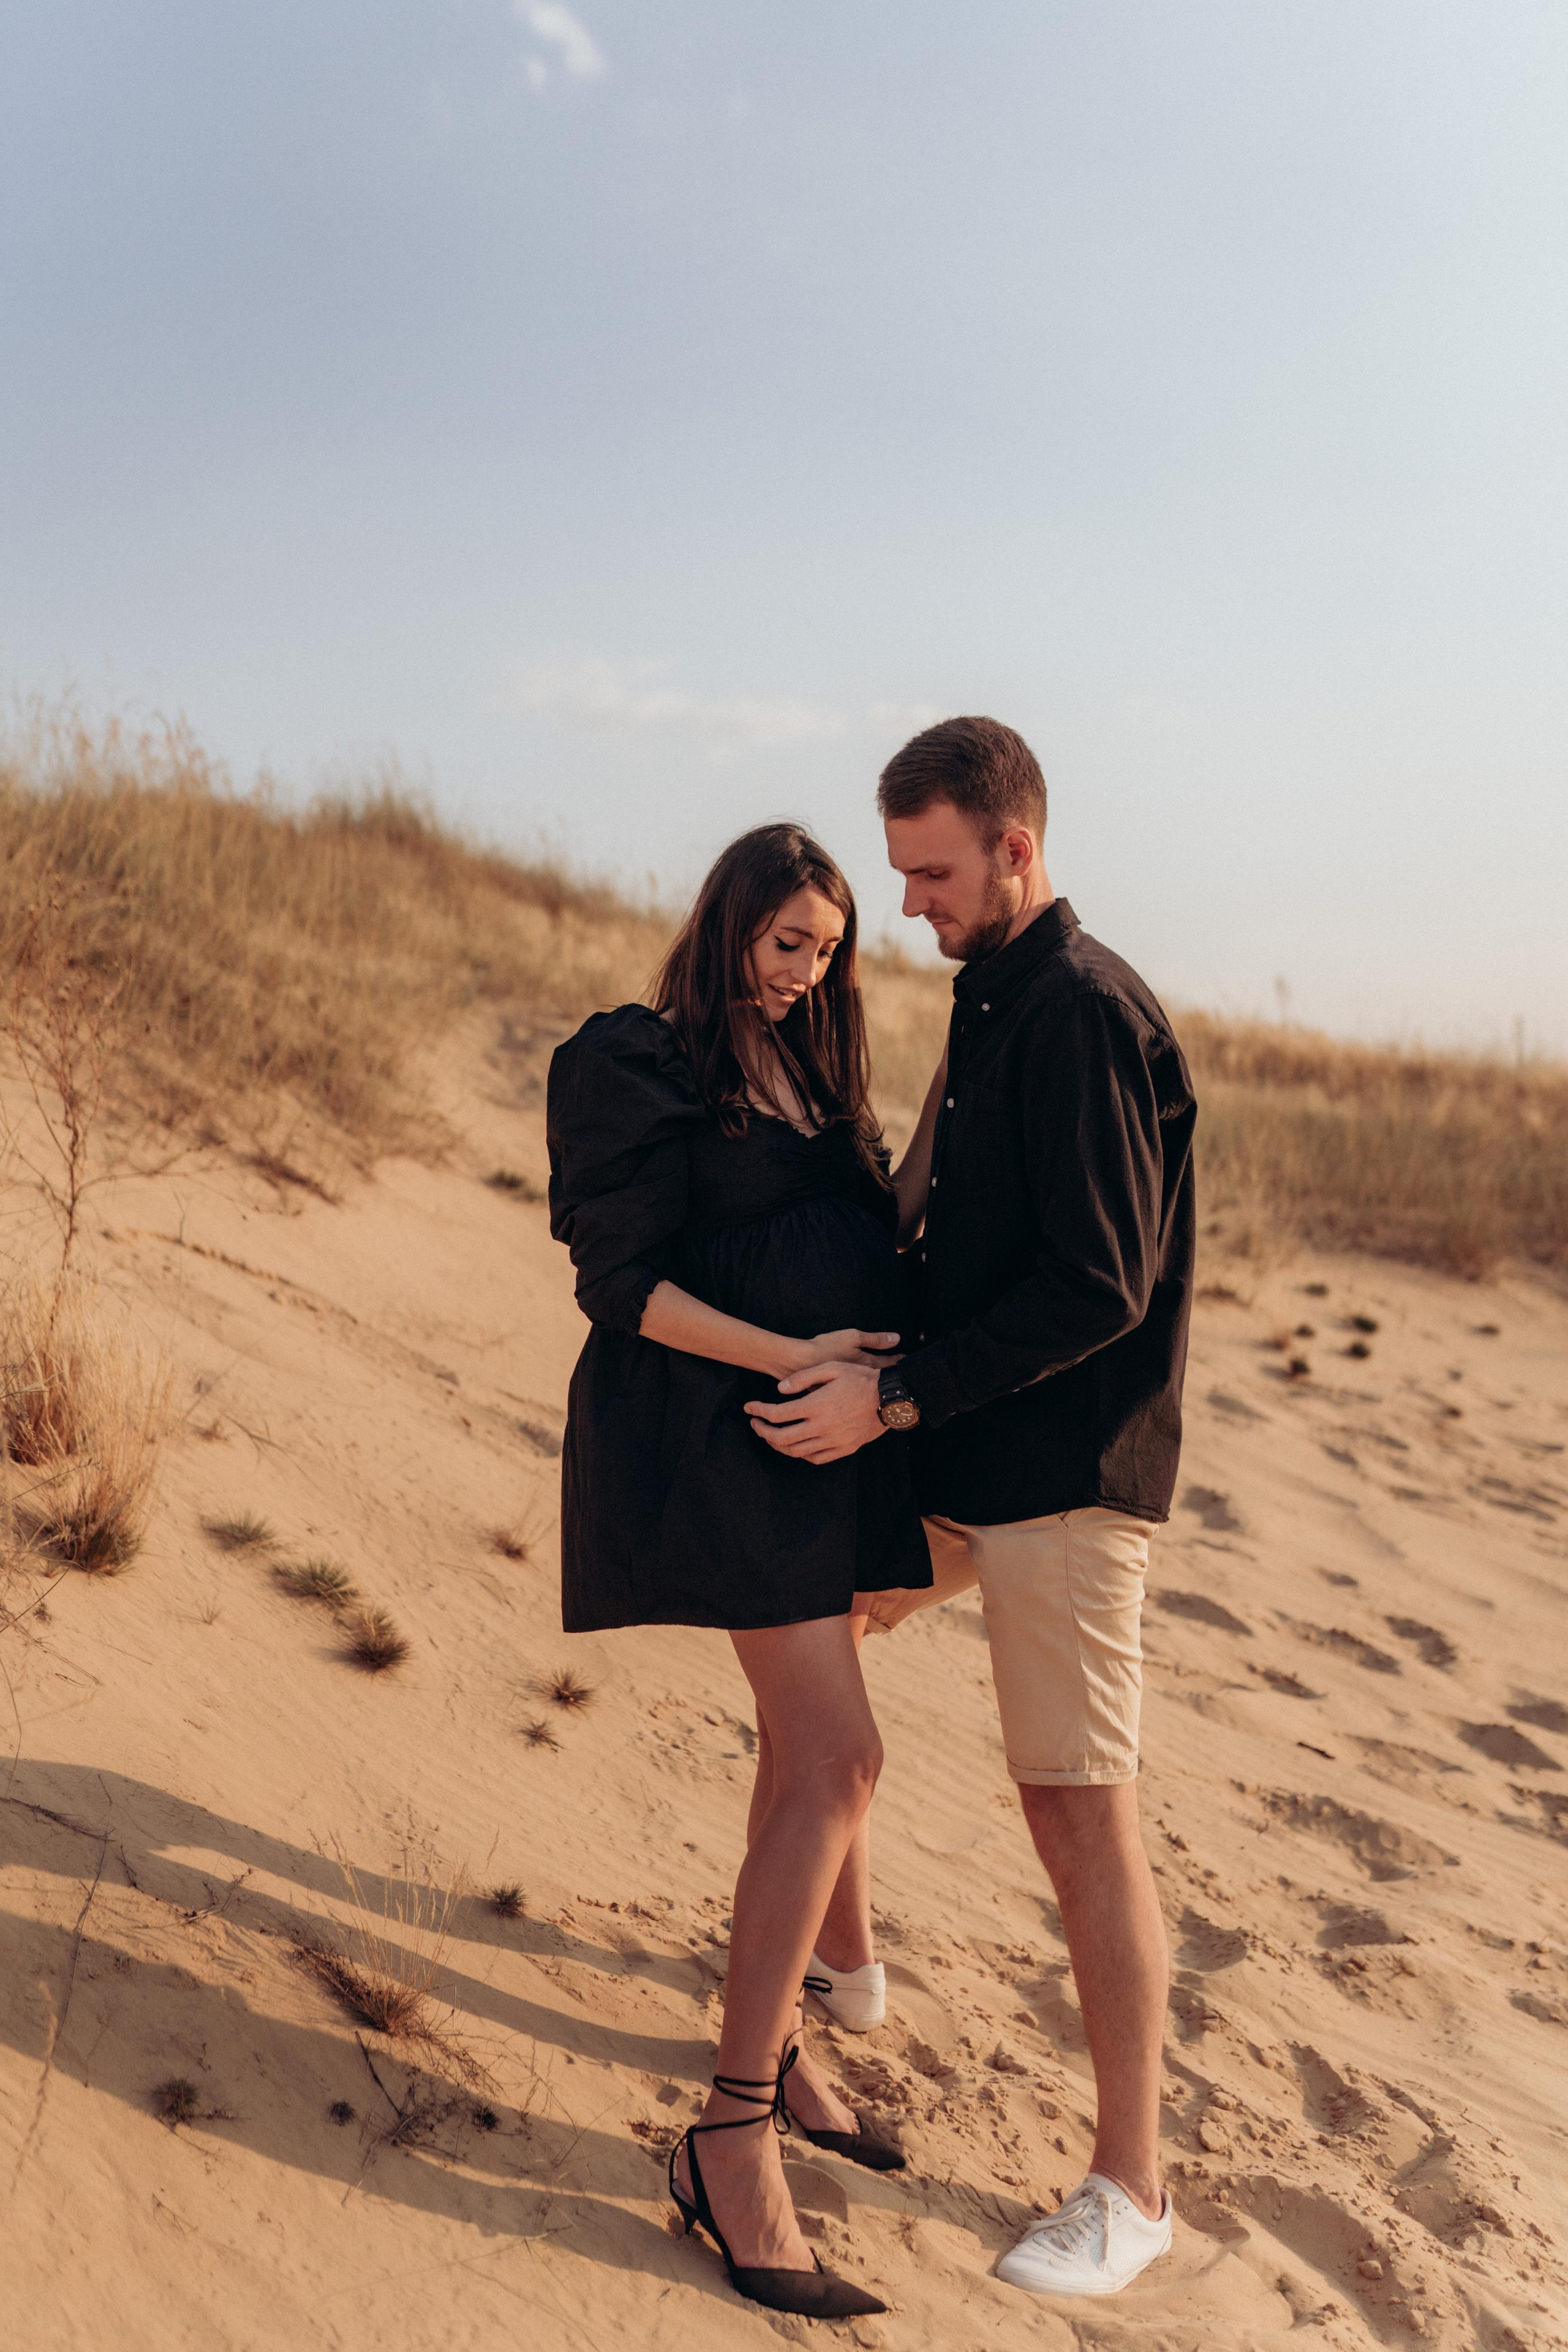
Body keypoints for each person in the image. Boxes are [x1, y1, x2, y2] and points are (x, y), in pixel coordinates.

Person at [747, 717, 1196, 2301]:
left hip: (1069, 1480)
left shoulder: (1079, 1010)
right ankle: (846, 1970)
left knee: (1078, 1815)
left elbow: (1099, 1281)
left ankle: (1135, 2192)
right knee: (816, 1651)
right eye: (900, 878)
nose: (913, 905)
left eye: (933, 873)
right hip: (964, 1457)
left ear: (1015, 845)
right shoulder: (996, 997)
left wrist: (902, 1392)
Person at [546, 823, 933, 2323]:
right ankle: (727, 2129)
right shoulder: (633, 1061)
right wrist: (795, 1357)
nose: (805, 974)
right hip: (720, 1434)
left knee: (798, 1755)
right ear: (725, 926)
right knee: (840, 1759)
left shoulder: (814, 1070)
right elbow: (620, 1287)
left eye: (827, 951)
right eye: (786, 945)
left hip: (824, 1448)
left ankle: (777, 2054)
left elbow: (865, 1237)